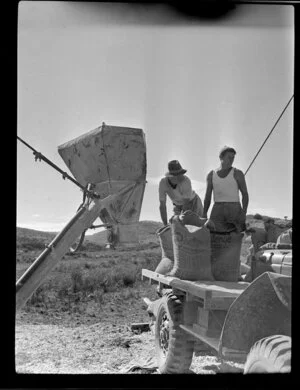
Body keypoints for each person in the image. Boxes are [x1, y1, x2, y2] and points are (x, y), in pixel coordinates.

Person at [202, 146, 249, 233]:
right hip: (217, 209)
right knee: (213, 234)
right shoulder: (211, 175)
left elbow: (245, 194)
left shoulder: (238, 173)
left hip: (234, 208)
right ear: (221, 157)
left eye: (233, 157)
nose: (231, 160)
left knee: (235, 236)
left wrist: (244, 212)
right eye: (229, 157)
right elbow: (207, 196)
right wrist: (204, 212)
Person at [159, 160, 203, 226]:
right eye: (177, 174)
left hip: (193, 202)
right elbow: (162, 206)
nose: (181, 176)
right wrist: (165, 224)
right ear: (171, 176)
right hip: (177, 205)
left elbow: (186, 205)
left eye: (181, 173)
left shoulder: (186, 180)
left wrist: (181, 220)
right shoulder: (163, 183)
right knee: (175, 225)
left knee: (195, 226)